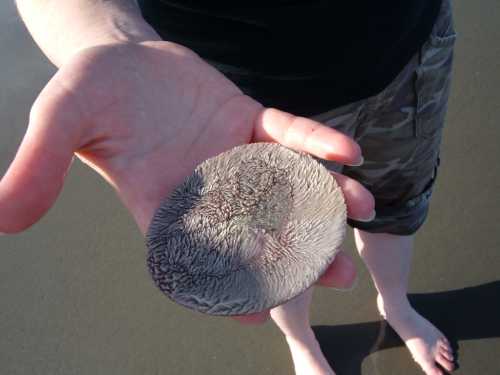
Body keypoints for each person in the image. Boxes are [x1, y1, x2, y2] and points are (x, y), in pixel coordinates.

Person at [1, 1, 455, 374]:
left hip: (410, 48)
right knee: (275, 256)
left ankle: (396, 304)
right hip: (234, 103)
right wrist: (113, 41)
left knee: (398, 203)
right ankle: (302, 340)